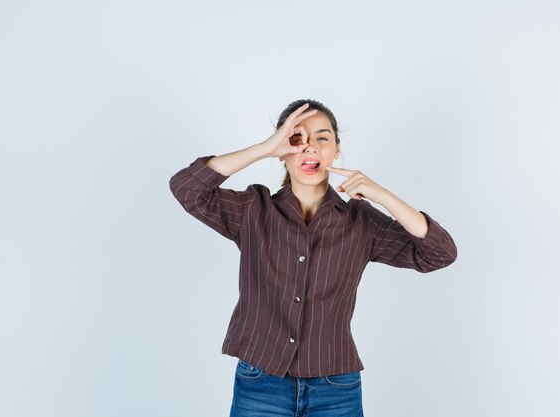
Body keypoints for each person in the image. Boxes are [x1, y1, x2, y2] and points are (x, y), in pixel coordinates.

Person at [168, 99, 458, 417]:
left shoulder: (361, 222)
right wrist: (264, 147)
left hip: (336, 389)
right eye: (297, 138)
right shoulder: (253, 210)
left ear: (336, 149)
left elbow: (440, 253)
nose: (310, 148)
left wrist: (383, 195)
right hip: (260, 382)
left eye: (322, 138)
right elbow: (187, 189)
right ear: (283, 150)